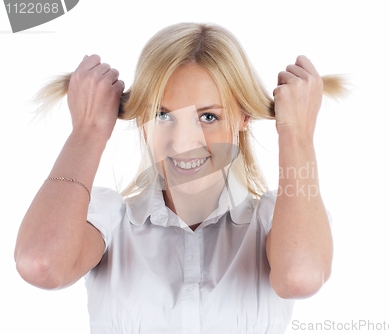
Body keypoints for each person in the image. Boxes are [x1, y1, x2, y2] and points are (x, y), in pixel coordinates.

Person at [14, 22, 342, 333]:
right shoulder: (108, 221)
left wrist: (296, 133)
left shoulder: (279, 220)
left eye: (209, 116)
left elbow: (300, 276)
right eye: (162, 114)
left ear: (243, 117)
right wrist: (87, 132)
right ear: (142, 120)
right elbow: (41, 264)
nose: (184, 144)